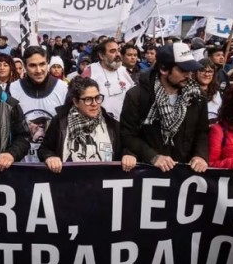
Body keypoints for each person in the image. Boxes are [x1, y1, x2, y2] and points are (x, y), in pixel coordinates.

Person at [120, 42, 209, 172]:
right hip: (148, 173)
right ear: (163, 69)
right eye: (183, 70)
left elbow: (202, 132)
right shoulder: (137, 96)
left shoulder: (197, 96)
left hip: (184, 173)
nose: (188, 75)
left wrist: (200, 155)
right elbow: (128, 134)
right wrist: (152, 156)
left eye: (190, 70)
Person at [38, 76, 137, 172]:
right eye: (88, 99)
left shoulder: (111, 124)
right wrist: (50, 157)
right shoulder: (60, 122)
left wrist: (128, 154)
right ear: (76, 102)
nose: (94, 104)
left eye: (97, 98)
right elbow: (45, 149)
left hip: (104, 184)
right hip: (69, 184)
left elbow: (129, 145)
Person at [9, 46, 68, 162]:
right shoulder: (13, 89)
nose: (39, 70)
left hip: (54, 163)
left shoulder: (63, 88)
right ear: (25, 67)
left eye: (42, 64)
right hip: (21, 163)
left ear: (47, 64)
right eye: (32, 65)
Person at [82, 38, 135, 120]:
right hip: (100, 124)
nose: (117, 54)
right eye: (112, 51)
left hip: (124, 122)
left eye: (118, 50)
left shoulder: (123, 70)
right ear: (101, 56)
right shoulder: (91, 71)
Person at [195, 58, 222, 124]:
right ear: (196, 72)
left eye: (210, 71)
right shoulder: (189, 92)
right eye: (203, 70)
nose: (206, 74)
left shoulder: (216, 93)